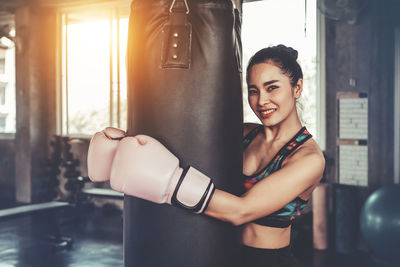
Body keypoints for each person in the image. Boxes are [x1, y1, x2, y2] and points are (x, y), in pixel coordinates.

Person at [87, 45, 325, 267]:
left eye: (272, 87)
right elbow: (188, 142)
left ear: (297, 88)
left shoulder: (308, 159)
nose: (261, 101)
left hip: (268, 261)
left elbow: (241, 210)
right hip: (219, 253)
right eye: (253, 91)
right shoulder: (245, 134)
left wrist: (168, 182)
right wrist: (127, 144)